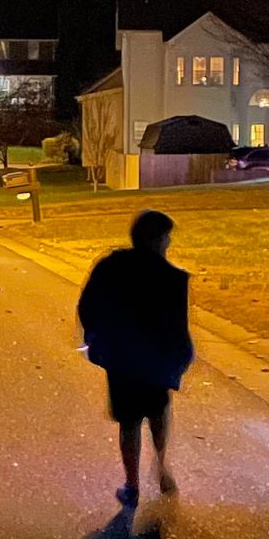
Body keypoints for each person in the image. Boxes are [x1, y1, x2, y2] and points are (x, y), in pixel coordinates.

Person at [76, 210, 193, 504]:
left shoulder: (111, 267)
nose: (168, 242)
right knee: (158, 412)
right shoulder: (171, 278)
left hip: (121, 358)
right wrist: (182, 358)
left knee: (129, 423)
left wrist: (96, 340)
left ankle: (132, 484)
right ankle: (162, 466)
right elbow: (178, 327)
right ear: (156, 240)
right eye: (166, 237)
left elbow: (87, 306)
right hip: (156, 361)